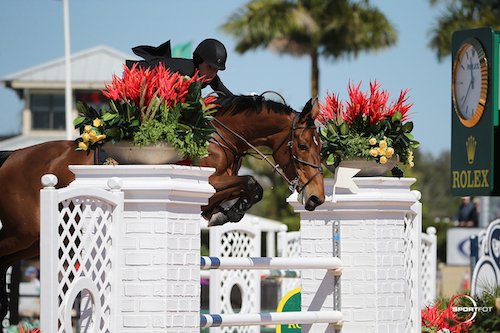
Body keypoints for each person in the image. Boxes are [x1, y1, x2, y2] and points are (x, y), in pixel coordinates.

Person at [126, 38, 233, 97]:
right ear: (199, 61)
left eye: (216, 70)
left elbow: (229, 98)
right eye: (210, 67)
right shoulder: (184, 71)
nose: (213, 73)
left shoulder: (209, 76)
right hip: (133, 75)